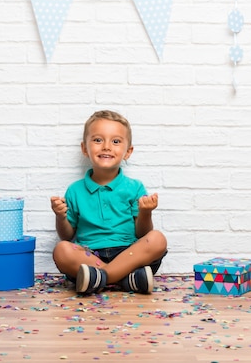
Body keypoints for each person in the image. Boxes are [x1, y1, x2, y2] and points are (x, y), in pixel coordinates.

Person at [50, 110, 168, 295]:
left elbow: (142, 233)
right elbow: (67, 235)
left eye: (116, 141)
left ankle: (102, 278)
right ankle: (127, 280)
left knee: (157, 239)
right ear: (84, 148)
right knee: (61, 250)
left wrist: (146, 212)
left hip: (128, 254)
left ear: (128, 152)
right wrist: (60, 216)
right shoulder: (75, 190)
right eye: (98, 140)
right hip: (90, 256)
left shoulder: (134, 187)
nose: (106, 146)